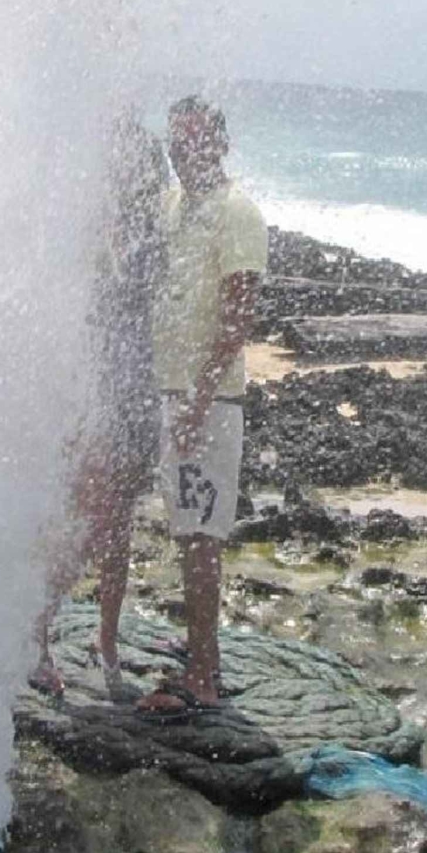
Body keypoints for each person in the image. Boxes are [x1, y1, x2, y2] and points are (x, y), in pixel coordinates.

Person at [137, 96, 267, 716]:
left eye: (193, 141)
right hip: (174, 393)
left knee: (201, 539)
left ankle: (205, 679)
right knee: (185, 528)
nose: (182, 152)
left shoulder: (237, 212)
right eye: (174, 142)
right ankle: (197, 647)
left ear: (219, 144)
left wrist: (197, 398)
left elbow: (240, 317)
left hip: (208, 405)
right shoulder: (174, 205)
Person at [31, 116, 167, 701]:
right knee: (82, 522)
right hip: (92, 393)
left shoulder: (154, 232)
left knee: (117, 527)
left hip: (136, 392)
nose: (125, 169)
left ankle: (106, 642)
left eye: (133, 160)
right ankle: (38, 639)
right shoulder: (85, 227)